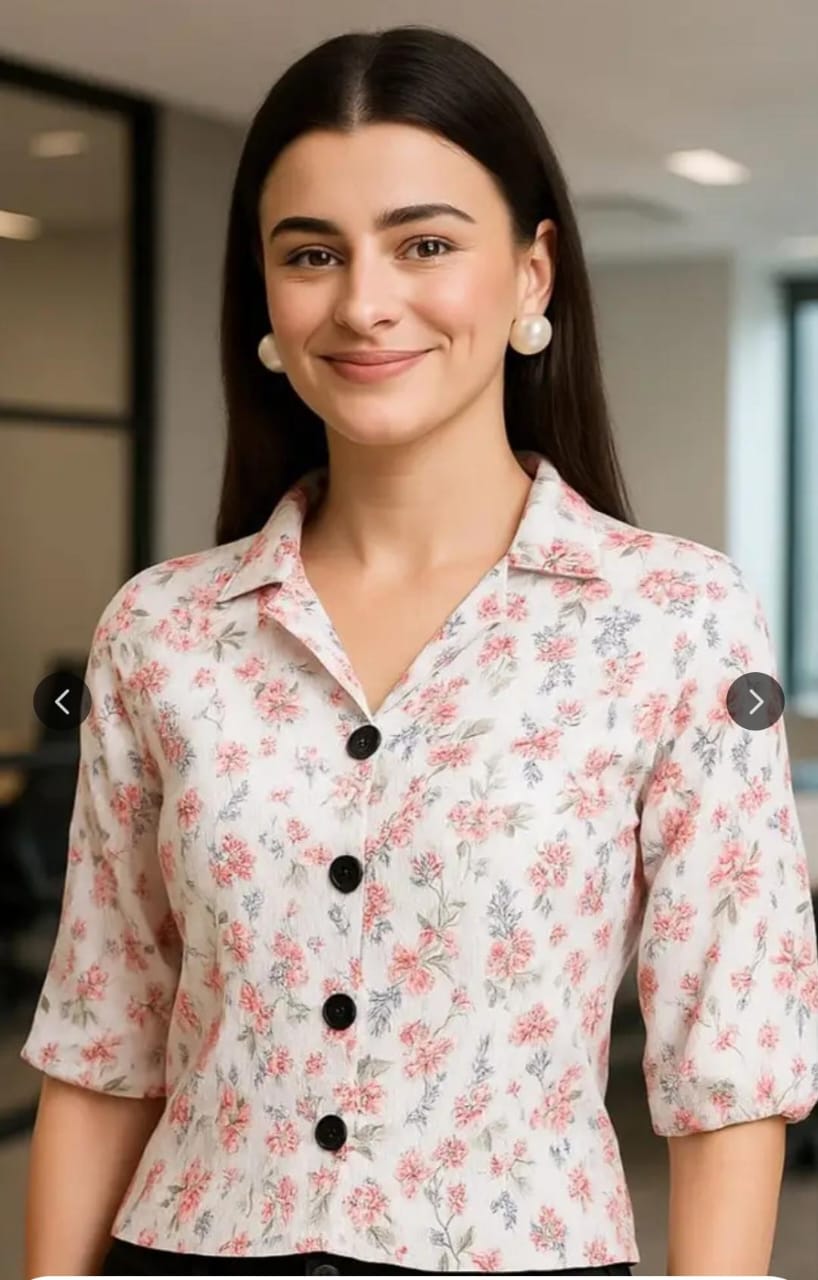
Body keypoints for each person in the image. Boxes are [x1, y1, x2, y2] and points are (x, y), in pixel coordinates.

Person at [21, 22, 818, 1280]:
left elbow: (728, 1058)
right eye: (312, 254)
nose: (362, 300)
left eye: (425, 243)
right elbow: (103, 1037)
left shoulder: (672, 615)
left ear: (530, 274)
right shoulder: (161, 630)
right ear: (267, 296)